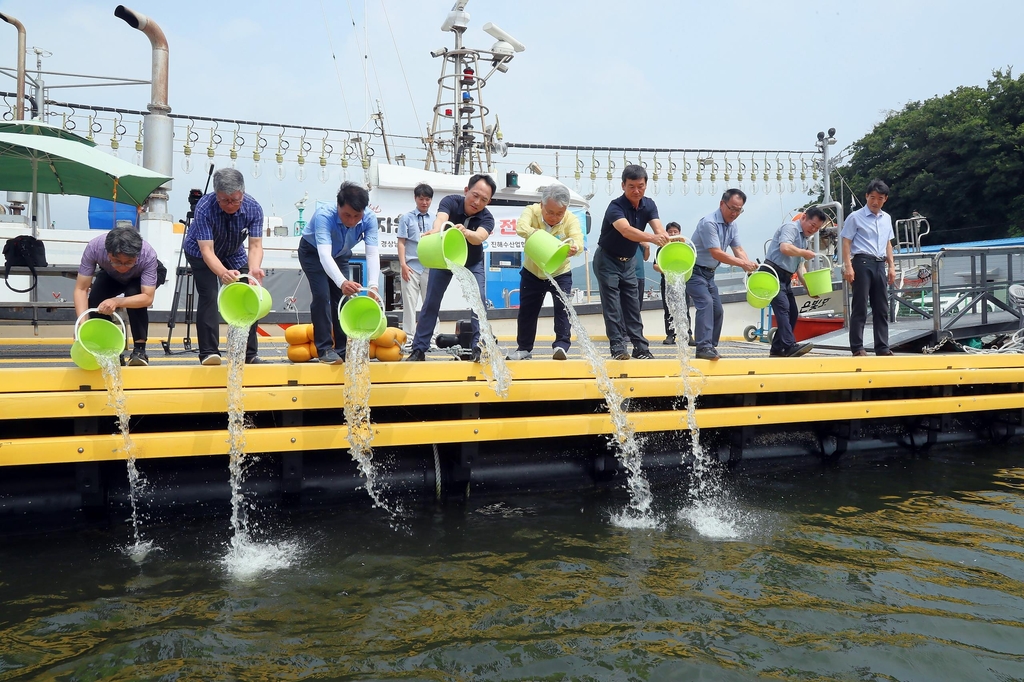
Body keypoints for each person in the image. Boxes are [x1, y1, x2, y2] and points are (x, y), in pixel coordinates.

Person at [405, 174, 497, 363]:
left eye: (484, 199)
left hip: (472, 262)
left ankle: (478, 347)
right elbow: (440, 219)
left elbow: (479, 237)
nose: (477, 202)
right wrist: (436, 229)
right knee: (430, 301)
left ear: (489, 201)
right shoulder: (451, 202)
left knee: (479, 300)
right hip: (444, 259)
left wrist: (466, 232)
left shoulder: (487, 218)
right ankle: (418, 349)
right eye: (475, 195)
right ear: (466, 191)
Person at [182, 168, 265, 365]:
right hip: (200, 253)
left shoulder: (254, 208)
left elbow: (255, 245)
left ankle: (248, 353)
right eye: (224, 200)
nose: (230, 205)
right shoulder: (204, 207)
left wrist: (253, 269)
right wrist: (222, 273)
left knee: (248, 293)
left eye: (235, 200)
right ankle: (209, 352)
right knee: (209, 294)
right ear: (216, 195)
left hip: (233, 252)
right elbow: (207, 251)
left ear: (242, 193)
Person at [298, 182, 381, 364]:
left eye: (356, 216)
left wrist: (373, 285)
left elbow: (372, 252)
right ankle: (324, 349)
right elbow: (324, 255)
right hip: (313, 252)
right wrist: (342, 281)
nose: (351, 221)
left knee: (343, 299)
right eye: (346, 215)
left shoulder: (369, 219)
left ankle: (343, 349)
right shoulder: (324, 216)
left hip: (341, 254)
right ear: (338, 206)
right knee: (322, 295)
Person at [593, 164, 669, 360]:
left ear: (646, 185)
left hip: (629, 262)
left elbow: (659, 228)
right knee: (612, 305)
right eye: (631, 186)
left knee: (633, 305)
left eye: (641, 186)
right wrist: (652, 238)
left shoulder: (649, 204)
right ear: (623, 186)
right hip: (607, 259)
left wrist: (668, 239)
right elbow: (626, 231)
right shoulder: (615, 207)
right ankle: (617, 346)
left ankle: (640, 347)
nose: (636, 191)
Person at [506, 183, 584, 361]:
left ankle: (561, 346)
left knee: (562, 309)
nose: (554, 218)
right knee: (527, 311)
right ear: (541, 205)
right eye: (550, 212)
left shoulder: (571, 219)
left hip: (560, 272)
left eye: (559, 214)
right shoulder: (531, 211)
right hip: (532, 271)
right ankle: (524, 349)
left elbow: (578, 240)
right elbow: (520, 228)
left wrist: (574, 247)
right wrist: (540, 236)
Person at [74, 225, 163, 366]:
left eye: (128, 262)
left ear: (137, 255)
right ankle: (109, 348)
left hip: (140, 278)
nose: (122, 267)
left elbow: (147, 297)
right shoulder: (94, 247)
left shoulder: (148, 254)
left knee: (134, 295)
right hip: (111, 274)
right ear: (107, 252)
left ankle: (140, 351)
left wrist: (117, 301)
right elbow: (81, 289)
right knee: (98, 300)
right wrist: (83, 324)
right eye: (116, 261)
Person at [686, 189, 758, 360]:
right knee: (706, 303)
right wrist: (742, 263)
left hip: (709, 274)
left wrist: (749, 269)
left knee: (717, 310)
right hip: (694, 271)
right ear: (721, 204)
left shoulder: (732, 226)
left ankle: (710, 347)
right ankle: (703, 347)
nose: (734, 213)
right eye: (732, 208)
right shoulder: (708, 223)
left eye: (738, 210)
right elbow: (716, 253)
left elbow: (738, 249)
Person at [762, 207, 828, 357]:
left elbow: (800, 267)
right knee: (783, 308)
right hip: (772, 273)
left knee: (792, 312)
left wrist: (808, 289)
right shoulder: (790, 228)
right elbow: (785, 248)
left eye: (817, 228)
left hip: (786, 277)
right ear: (804, 217)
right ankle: (789, 345)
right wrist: (804, 252)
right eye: (812, 225)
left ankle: (777, 348)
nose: (814, 230)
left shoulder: (804, 240)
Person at [841, 179, 896, 356]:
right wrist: (848, 266)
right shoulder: (855, 217)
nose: (875, 202)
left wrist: (892, 266)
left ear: (885, 199)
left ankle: (882, 346)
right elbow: (846, 242)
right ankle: (857, 347)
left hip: (880, 263)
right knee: (860, 305)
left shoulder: (886, 218)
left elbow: (888, 243)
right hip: (861, 262)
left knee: (881, 307)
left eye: (880, 198)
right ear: (866, 196)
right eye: (872, 197)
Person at [396, 183, 438, 351]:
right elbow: (401, 242)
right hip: (411, 267)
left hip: (430, 266)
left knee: (431, 303)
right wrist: (403, 265)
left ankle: (433, 337)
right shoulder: (406, 218)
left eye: (427, 199)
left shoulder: (436, 219)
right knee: (409, 303)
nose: (424, 202)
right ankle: (409, 337)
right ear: (415, 199)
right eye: (421, 199)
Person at [653, 221, 681, 344]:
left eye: (675, 232)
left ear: (680, 233)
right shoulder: (662, 249)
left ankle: (687, 335)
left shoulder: (684, 247)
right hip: (666, 281)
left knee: (683, 309)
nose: (673, 233)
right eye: (670, 232)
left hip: (682, 282)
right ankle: (670, 335)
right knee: (668, 309)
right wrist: (666, 271)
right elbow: (655, 265)